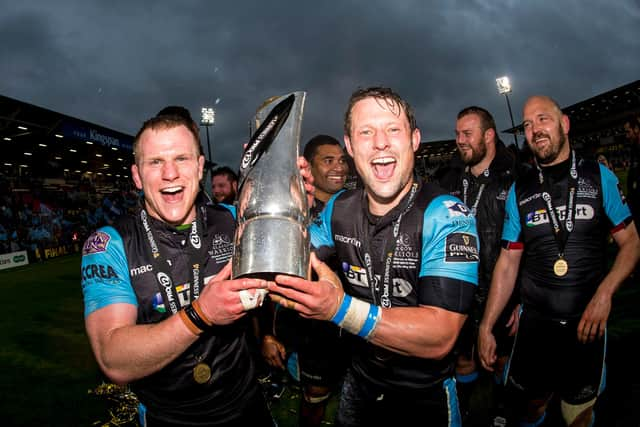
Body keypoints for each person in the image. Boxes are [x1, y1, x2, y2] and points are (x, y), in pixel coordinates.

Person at [267, 86, 480, 426]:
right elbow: (289, 262)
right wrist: (283, 209)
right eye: (366, 132)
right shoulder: (339, 207)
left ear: (414, 140)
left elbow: (441, 335)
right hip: (361, 383)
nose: (380, 142)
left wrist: (339, 309)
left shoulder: (448, 214)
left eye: (392, 129)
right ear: (350, 146)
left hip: (424, 395)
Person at [81, 112, 278, 426]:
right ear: (136, 175)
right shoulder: (109, 244)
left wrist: (288, 183)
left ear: (200, 167)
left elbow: (285, 232)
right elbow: (112, 358)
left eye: (181, 159)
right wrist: (200, 314)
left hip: (246, 402)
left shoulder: (230, 218)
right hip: (169, 417)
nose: (170, 173)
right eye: (155, 162)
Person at [478, 95, 640, 427]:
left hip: (587, 326)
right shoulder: (520, 190)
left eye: (543, 119)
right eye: (527, 124)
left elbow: (632, 243)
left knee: (578, 414)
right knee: (531, 405)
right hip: (535, 326)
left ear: (564, 124)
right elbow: (508, 261)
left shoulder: (599, 178)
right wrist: (486, 324)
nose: (535, 130)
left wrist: (605, 293)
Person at [260, 134, 349, 426]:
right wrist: (267, 334)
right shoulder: (290, 211)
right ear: (308, 167)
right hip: (310, 330)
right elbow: (266, 276)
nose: (339, 167)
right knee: (315, 398)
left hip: (350, 324)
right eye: (328, 160)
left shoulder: (355, 206)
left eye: (342, 160)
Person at [438, 106, 519, 424]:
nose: (459, 140)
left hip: (501, 290)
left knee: (499, 358)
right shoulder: (448, 178)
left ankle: (501, 411)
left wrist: (519, 299)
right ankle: (466, 412)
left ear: (488, 135)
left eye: (467, 134)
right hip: (459, 290)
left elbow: (530, 246)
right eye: (457, 133)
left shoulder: (516, 177)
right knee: (463, 359)